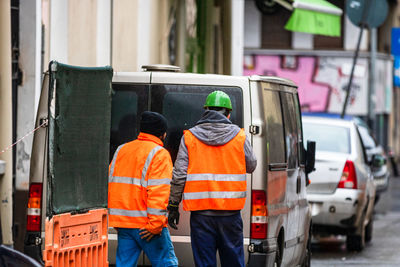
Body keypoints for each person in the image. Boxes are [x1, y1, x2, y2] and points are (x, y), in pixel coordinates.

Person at [167, 91, 257, 267]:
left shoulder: (190, 137)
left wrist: (172, 206)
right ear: (228, 113)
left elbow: (179, 175)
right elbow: (252, 165)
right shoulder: (239, 136)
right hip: (230, 216)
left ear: (206, 111)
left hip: (201, 217)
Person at [108, 111, 178, 267]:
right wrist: (155, 225)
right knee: (166, 264)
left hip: (124, 224)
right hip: (147, 225)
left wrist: (117, 220)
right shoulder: (160, 154)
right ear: (163, 134)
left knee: (124, 265)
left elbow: (112, 184)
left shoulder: (121, 149)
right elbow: (158, 192)